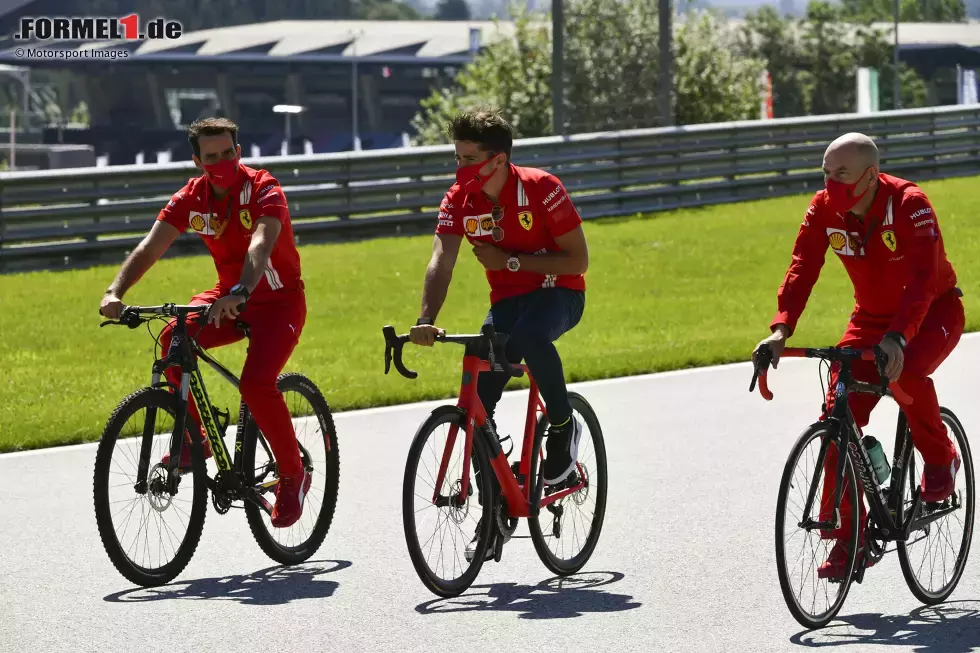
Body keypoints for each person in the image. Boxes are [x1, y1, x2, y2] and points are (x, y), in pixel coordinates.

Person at [753, 132, 965, 580]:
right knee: (837, 413)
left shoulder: (910, 203)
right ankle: (851, 540)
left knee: (904, 375)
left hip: (932, 311)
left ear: (870, 176)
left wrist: (899, 338)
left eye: (841, 175)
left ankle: (941, 457)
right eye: (825, 173)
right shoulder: (824, 208)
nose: (831, 183)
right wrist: (780, 329)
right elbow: (801, 267)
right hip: (870, 319)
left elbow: (925, 279)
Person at [99, 117, 311, 529]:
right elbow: (150, 247)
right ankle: (194, 437)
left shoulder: (264, 188)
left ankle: (293, 475)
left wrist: (242, 291)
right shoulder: (192, 198)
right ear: (198, 161)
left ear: (239, 150)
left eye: (229, 153)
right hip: (228, 297)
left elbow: (261, 244)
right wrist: (114, 291)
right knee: (172, 336)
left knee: (256, 385)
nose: (223, 162)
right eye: (212, 157)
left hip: (278, 302)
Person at [409, 108, 590, 559]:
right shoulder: (457, 200)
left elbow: (577, 261)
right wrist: (425, 318)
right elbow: (441, 262)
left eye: (470, 159)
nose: (461, 169)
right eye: (457, 158)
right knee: (477, 405)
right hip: (507, 304)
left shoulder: (541, 189)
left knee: (529, 340)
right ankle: (495, 510)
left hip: (558, 294)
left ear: (499, 159)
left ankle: (563, 430)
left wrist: (510, 262)